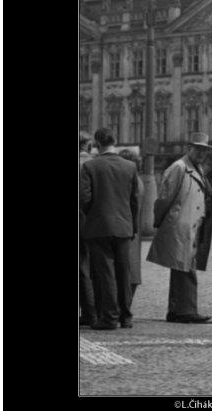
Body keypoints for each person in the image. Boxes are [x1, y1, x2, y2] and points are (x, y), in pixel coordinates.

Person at [146, 132, 212, 324]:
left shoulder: (197, 167)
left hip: (192, 225)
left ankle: (176, 310)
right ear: (189, 148)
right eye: (198, 148)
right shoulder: (179, 167)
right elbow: (164, 198)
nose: (202, 153)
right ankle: (186, 311)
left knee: (182, 267)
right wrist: (160, 222)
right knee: (185, 268)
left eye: (205, 150)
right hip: (180, 225)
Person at [80, 128, 139, 329]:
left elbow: (84, 199)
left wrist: (93, 214)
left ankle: (109, 317)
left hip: (99, 226)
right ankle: (126, 316)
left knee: (105, 273)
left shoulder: (90, 166)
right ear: (115, 141)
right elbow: (134, 200)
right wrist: (133, 226)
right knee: (124, 272)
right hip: (124, 226)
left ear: (96, 143)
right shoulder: (130, 166)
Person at [118, 149, 145, 311]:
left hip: (128, 231)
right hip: (133, 231)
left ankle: (124, 308)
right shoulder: (137, 181)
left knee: (128, 269)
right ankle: (125, 307)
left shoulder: (133, 183)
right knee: (132, 268)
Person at [79, 131, 96, 326]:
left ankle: (89, 313)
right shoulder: (95, 164)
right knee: (89, 268)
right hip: (92, 221)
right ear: (89, 145)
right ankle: (93, 312)